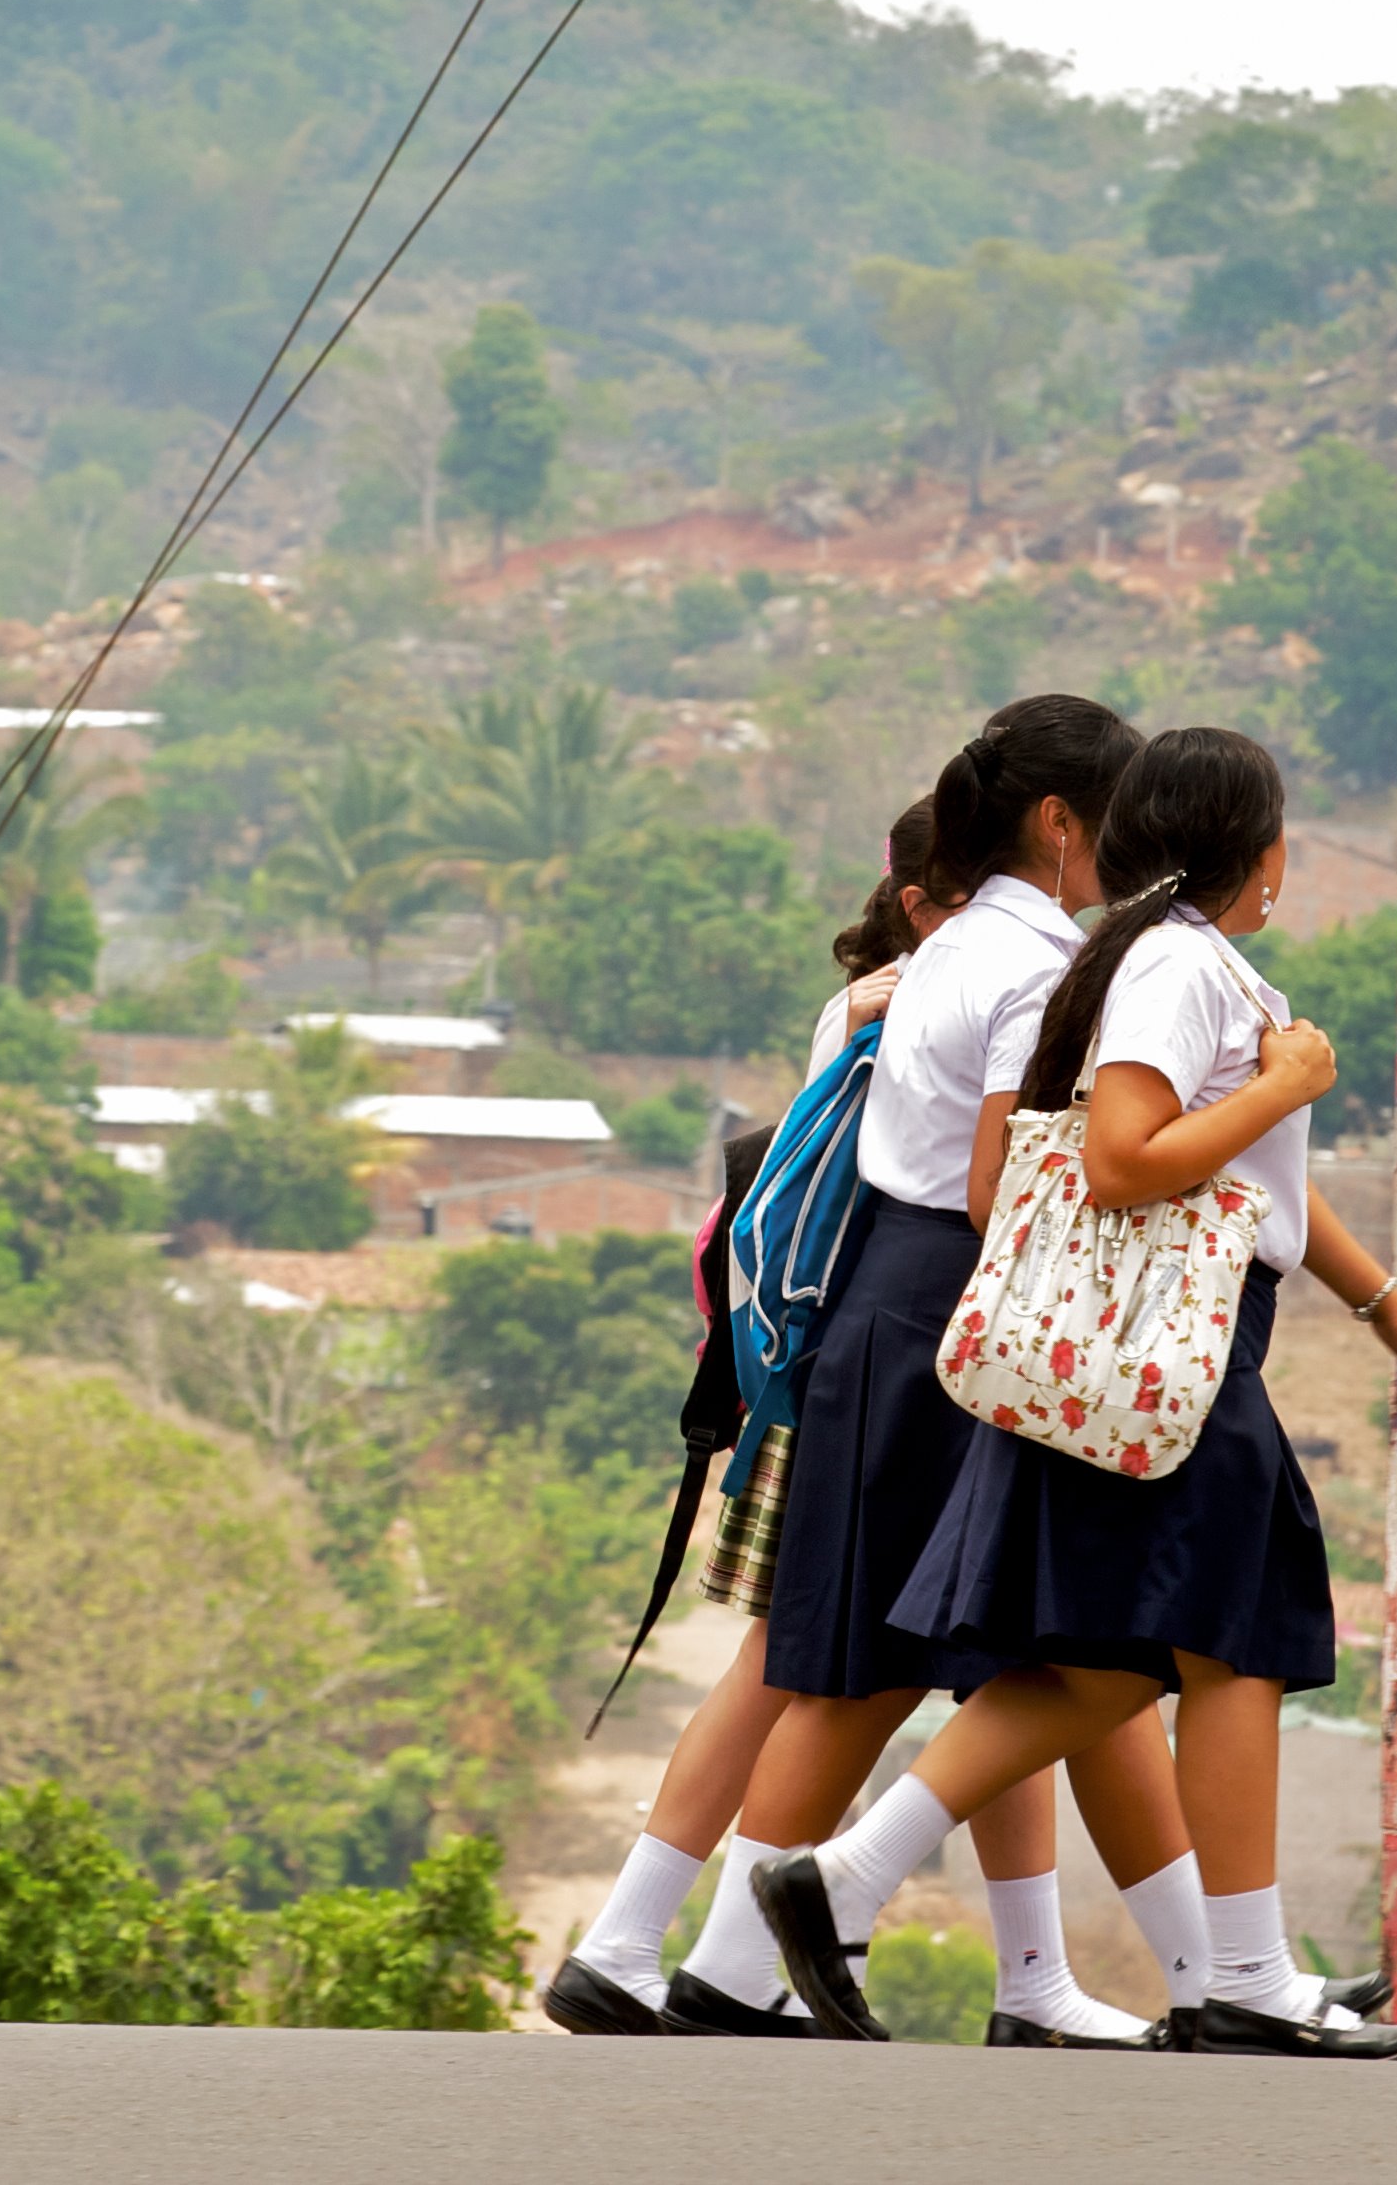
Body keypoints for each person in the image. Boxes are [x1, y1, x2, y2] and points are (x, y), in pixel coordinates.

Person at [749, 727, 1397, 2059]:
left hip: (1161, 1347)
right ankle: (1243, 1979)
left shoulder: (1159, 962)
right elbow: (1123, 1162)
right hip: (1168, 1356)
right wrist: (1287, 1086)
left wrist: (1390, 1312)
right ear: (1259, 849)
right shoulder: (1175, 971)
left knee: (1104, 1665)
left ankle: (846, 1874)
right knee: (1235, 1644)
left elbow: (1265, 1204)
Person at [660, 699, 1242, 2049]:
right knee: (911, 1661)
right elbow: (999, 1182)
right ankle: (734, 1959)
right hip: (952, 1310)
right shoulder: (1040, 966)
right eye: (1114, 820)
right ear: (1059, 825)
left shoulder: (946, 949)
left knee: (891, 1656)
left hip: (883, 1309)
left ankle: (737, 1963)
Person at [538, 800, 949, 2039]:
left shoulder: (874, 999)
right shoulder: (909, 1004)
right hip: (864, 1378)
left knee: (901, 1667)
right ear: (936, 899)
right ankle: (671, 1949)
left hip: (826, 1373)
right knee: (804, 1664)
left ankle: (682, 1950)